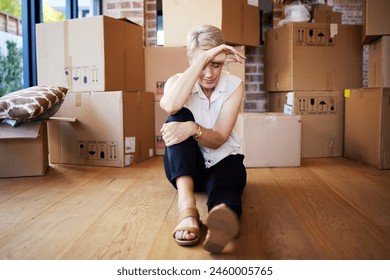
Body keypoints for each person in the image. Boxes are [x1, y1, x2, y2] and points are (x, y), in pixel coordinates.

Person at [160, 24, 247, 254]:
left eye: (216, 64)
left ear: (224, 59)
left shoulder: (234, 86)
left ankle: (222, 224)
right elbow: (170, 105)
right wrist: (206, 56)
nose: (209, 74)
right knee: (177, 116)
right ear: (191, 59)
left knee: (227, 182)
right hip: (187, 169)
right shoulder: (175, 82)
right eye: (202, 64)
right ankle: (187, 210)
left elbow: (219, 138)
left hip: (222, 160)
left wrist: (193, 129)